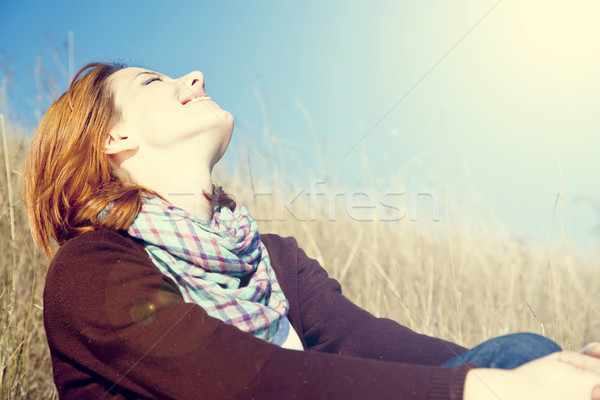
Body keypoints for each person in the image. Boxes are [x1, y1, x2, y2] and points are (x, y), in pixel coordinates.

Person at [22, 62, 600, 400]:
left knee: (523, 356)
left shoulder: (272, 256)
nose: (193, 77)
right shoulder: (92, 270)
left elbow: (371, 343)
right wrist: (485, 392)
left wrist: (545, 376)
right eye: (152, 83)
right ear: (112, 139)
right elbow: (241, 381)